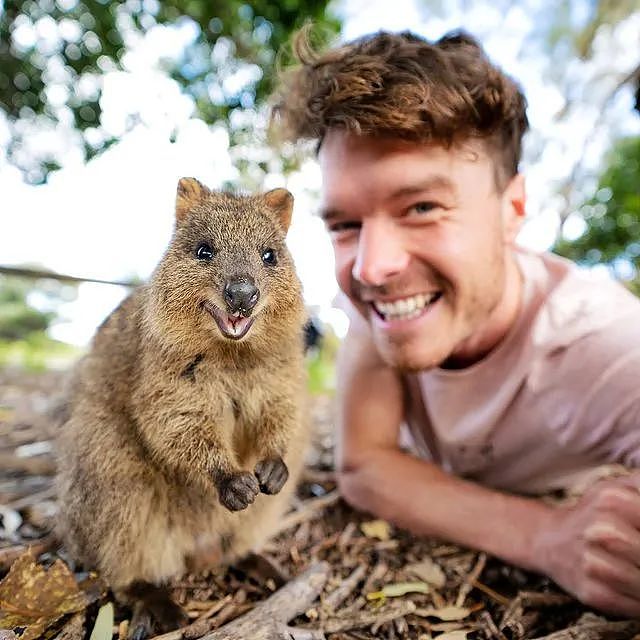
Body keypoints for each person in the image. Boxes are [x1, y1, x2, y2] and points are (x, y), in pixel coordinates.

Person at [272, 29, 640, 616]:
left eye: (422, 208)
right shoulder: (379, 310)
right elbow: (364, 465)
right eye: (345, 225)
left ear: (513, 210)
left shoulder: (599, 343)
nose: (371, 268)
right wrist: (547, 536)